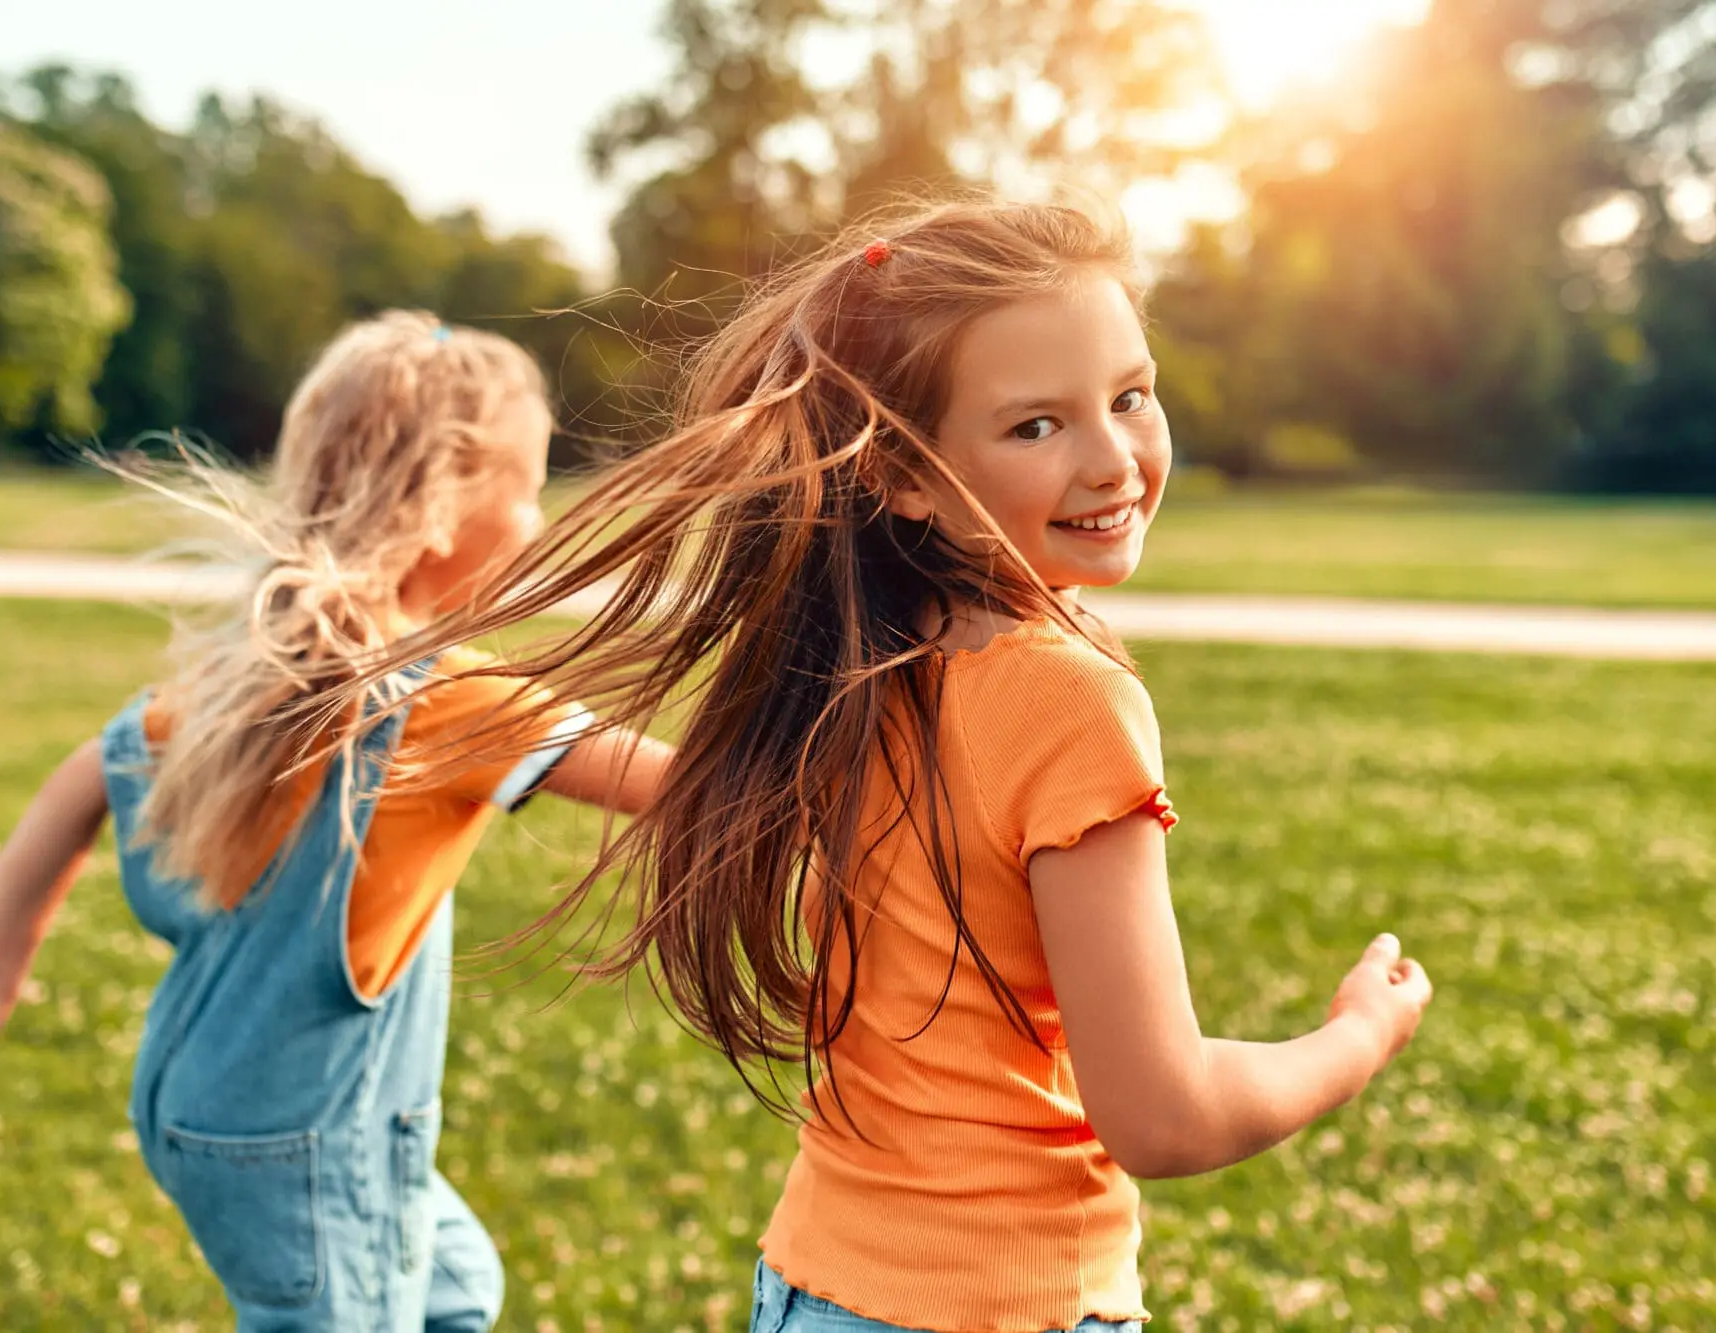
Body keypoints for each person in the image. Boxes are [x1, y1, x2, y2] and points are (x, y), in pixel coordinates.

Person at [328, 202, 1436, 1333]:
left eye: (1129, 396)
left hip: (813, 1283)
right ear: (905, 474)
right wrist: (1352, 1039)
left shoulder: (858, 658)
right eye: (1035, 426)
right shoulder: (1068, 700)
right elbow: (1162, 1115)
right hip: (1001, 1305)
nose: (1112, 459)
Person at [0, 311, 669, 1331]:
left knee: (454, 1288)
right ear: (442, 508)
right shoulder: (446, 701)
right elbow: (685, 785)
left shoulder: (246, 680)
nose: (539, 524)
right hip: (310, 1142)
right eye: (528, 491)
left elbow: (76, 784)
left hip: (216, 1112)